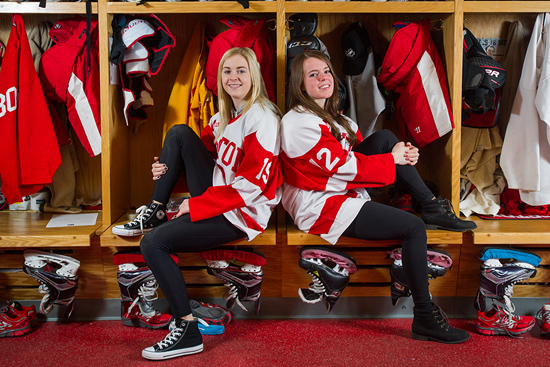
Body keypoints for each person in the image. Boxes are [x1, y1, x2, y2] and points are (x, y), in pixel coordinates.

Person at [281, 50, 474, 344]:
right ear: (300, 84)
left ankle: (432, 206)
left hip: (339, 191)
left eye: (326, 71)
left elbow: (367, 154)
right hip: (319, 204)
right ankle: (424, 316)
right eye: (313, 74)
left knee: (385, 138)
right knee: (413, 228)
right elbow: (342, 167)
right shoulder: (298, 123)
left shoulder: (336, 118)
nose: (324, 78)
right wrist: (393, 160)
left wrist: (404, 156)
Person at [114, 47, 282, 360]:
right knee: (178, 133)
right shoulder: (223, 117)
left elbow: (251, 186)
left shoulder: (264, 119)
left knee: (153, 244)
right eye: (227, 71)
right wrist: (164, 170)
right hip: (219, 199)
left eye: (241, 71)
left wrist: (199, 205)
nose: (233, 77)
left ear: (255, 76)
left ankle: (187, 330)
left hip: (241, 215)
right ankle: (154, 210)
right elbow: (193, 157)